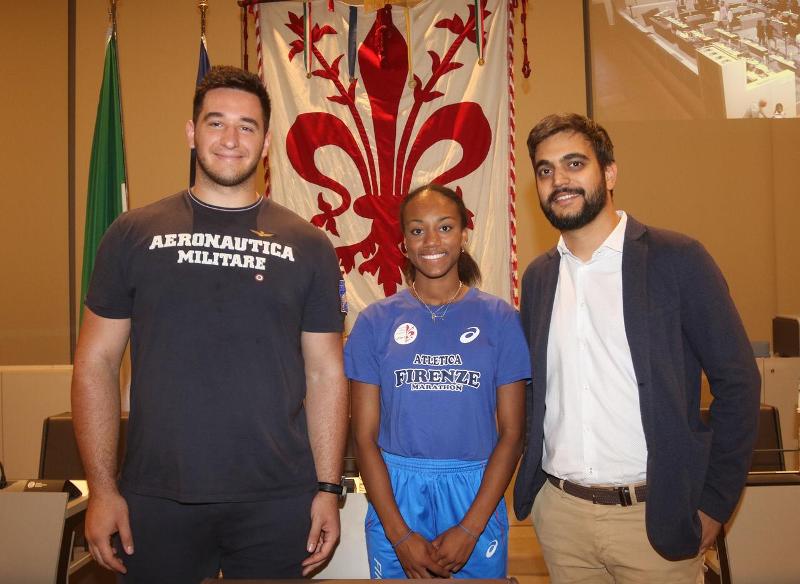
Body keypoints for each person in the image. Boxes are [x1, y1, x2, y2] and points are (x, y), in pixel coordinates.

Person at [72, 66, 348, 583]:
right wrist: (103, 489)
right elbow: (95, 364)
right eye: (216, 122)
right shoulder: (131, 234)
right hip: (155, 497)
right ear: (191, 132)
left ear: (266, 142)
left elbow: (325, 374)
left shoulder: (309, 245)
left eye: (247, 126)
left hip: (277, 498)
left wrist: (329, 489)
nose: (230, 139)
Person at [513, 113, 761, 583]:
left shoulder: (678, 260)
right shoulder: (539, 277)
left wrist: (715, 503)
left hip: (655, 522)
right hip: (562, 520)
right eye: (545, 170)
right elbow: (533, 393)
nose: (559, 180)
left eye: (574, 163)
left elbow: (739, 384)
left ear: (609, 173)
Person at [346, 184, 530, 579]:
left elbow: (513, 434)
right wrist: (399, 535)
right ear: (403, 243)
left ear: (464, 236)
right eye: (418, 230)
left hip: (475, 494)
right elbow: (363, 438)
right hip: (395, 495)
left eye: (445, 227)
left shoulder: (500, 319)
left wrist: (470, 529)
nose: (431, 241)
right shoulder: (375, 322)